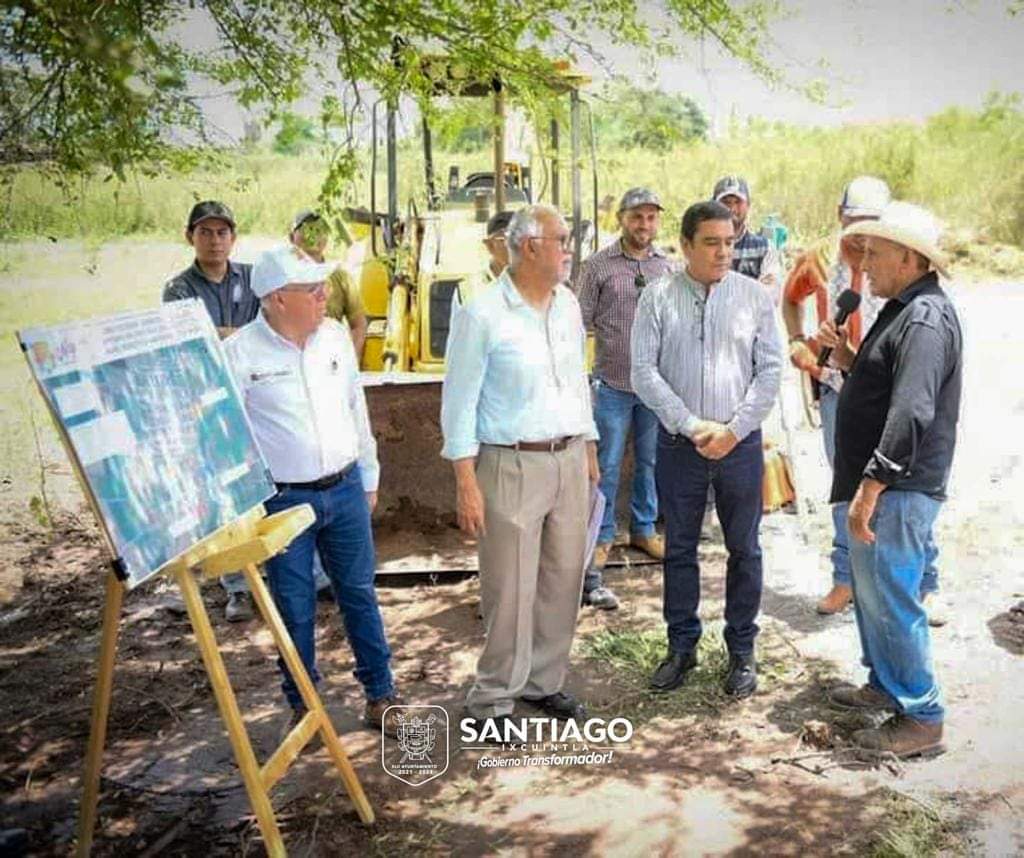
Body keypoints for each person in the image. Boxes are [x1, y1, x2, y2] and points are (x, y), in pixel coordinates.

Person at [224, 245, 400, 736]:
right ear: (278, 298)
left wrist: (369, 476)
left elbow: (355, 409)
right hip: (282, 501)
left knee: (359, 593)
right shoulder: (239, 355)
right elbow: (230, 438)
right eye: (312, 290)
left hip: (344, 489)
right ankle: (304, 706)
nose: (326, 296)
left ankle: (380, 692)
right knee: (294, 608)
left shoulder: (335, 339)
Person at [442, 204, 600, 729]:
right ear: (530, 246)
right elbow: (459, 404)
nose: (569, 249)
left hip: (569, 458)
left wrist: (590, 445)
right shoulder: (482, 314)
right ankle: (492, 700)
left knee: (562, 577)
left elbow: (578, 379)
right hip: (509, 465)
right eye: (562, 239)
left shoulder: (568, 306)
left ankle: (542, 683)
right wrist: (465, 480)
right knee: (510, 588)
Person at [824, 202, 961, 758]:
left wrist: (872, 486)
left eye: (875, 253)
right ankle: (886, 684)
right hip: (883, 485)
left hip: (898, 490)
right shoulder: (902, 309)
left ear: (909, 257)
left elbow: (912, 410)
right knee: (874, 595)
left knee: (892, 597)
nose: (865, 263)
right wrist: (852, 361)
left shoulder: (925, 317)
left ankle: (921, 714)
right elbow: (891, 385)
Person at [632, 200, 782, 698]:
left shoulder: (753, 298)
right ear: (686, 245)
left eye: (730, 242)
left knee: (745, 548)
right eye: (712, 243)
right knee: (679, 549)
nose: (723, 253)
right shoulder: (657, 297)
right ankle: (681, 646)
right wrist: (693, 425)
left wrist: (734, 430)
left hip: (739, 445)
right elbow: (643, 372)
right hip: (680, 444)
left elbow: (770, 371)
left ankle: (741, 650)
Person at [576, 187, 675, 611]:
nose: (644, 225)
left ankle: (643, 527)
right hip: (612, 383)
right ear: (621, 219)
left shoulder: (667, 268)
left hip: (653, 386)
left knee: (652, 462)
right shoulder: (598, 266)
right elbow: (577, 323)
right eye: (637, 217)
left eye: (651, 217)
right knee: (608, 463)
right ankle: (601, 537)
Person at [162, 200, 259, 621]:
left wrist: (223, 335)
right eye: (205, 233)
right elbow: (190, 340)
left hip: (257, 397)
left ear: (233, 238)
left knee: (271, 485)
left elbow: (271, 326)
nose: (215, 241)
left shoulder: (254, 278)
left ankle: (292, 575)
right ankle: (236, 586)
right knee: (226, 493)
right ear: (190, 237)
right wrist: (244, 335)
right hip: (206, 403)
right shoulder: (178, 288)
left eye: (222, 233)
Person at [289, 209, 368, 360]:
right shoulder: (281, 276)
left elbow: (359, 325)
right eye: (306, 229)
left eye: (320, 230)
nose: (314, 235)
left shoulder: (341, 278)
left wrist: (350, 362)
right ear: (291, 237)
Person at [711, 176, 781, 296]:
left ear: (748, 205)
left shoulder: (764, 248)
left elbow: (771, 293)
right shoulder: (702, 247)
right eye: (726, 203)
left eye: (738, 202)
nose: (732, 209)